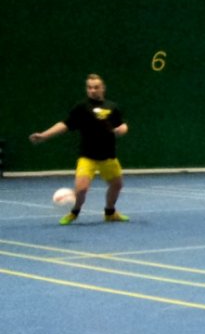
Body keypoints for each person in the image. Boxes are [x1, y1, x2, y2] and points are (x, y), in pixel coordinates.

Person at [30, 73, 130, 225]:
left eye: (96, 87)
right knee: (81, 189)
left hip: (108, 156)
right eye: (89, 88)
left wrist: (122, 130)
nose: (92, 90)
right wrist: (44, 135)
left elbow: (122, 125)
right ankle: (74, 212)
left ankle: (110, 213)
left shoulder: (112, 107)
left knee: (117, 185)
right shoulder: (81, 107)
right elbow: (65, 124)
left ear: (103, 88)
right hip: (87, 157)